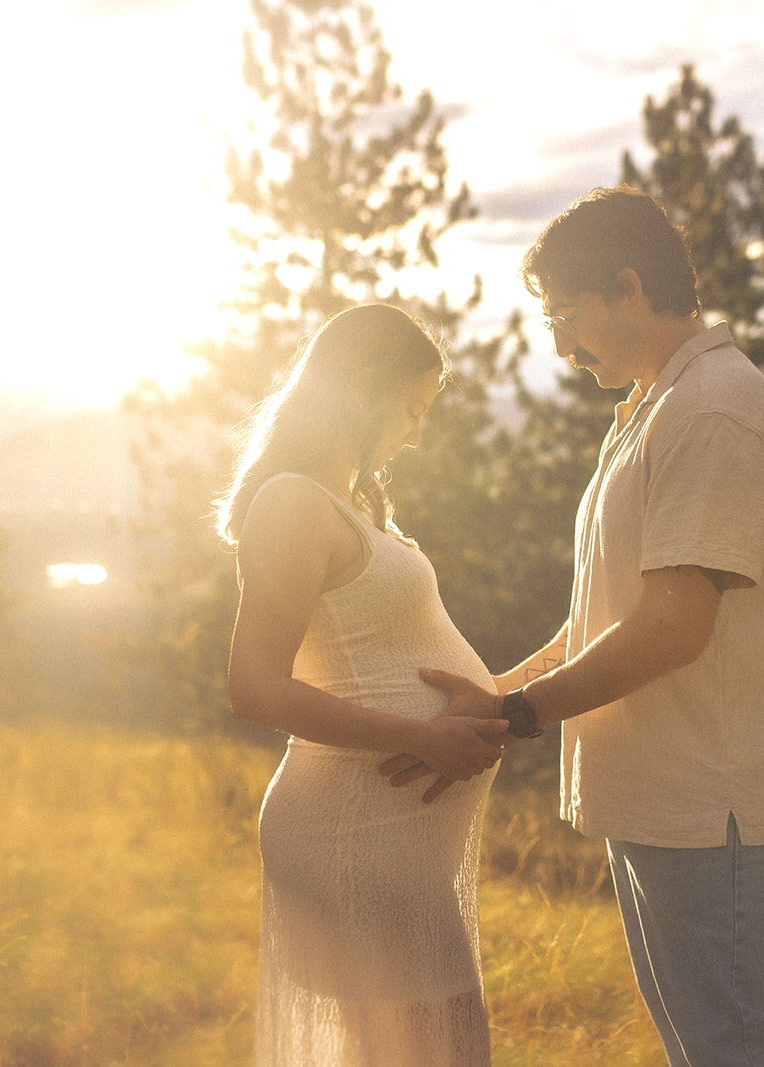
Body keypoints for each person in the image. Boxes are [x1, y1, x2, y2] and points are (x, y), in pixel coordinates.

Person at [385, 187, 764, 1065]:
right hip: (661, 798)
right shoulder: (657, 408)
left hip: (707, 803)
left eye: (564, 315)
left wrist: (519, 715)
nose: (560, 345)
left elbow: (670, 626)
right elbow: (607, 616)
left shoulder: (714, 410)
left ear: (627, 287)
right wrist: (497, 693)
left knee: (737, 1048)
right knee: (708, 1048)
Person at [219, 303, 510, 1067]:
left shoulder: (350, 508)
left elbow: (393, 655)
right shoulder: (291, 502)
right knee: (446, 1051)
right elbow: (253, 686)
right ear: (363, 390)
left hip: (386, 833)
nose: (414, 433)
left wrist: (503, 698)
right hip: (352, 829)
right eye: (410, 409)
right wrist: (423, 735)